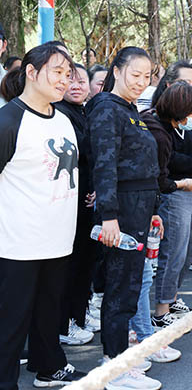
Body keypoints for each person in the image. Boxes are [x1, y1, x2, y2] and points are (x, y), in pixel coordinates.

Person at [0, 43, 88, 388]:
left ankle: (49, 366)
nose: (65, 80)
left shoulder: (63, 119)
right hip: (17, 243)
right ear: (32, 73)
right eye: (57, 72)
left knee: (50, 312)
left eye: (69, 73)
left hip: (59, 237)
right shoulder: (9, 121)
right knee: (10, 322)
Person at [86, 46, 164, 390]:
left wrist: (152, 210)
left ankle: (119, 357)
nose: (141, 82)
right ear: (116, 71)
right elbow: (104, 164)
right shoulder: (107, 108)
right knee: (120, 287)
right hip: (121, 209)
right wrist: (109, 216)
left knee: (131, 285)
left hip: (139, 208)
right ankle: (114, 366)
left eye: (146, 76)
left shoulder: (130, 109)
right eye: (135, 74)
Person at [146, 62, 192, 328]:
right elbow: (167, 160)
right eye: (188, 83)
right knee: (173, 252)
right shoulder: (157, 122)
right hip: (176, 190)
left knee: (188, 251)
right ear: (170, 86)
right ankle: (161, 310)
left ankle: (173, 296)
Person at [55, 65, 100, 346]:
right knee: (71, 266)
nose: (76, 85)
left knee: (86, 262)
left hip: (87, 199)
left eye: (81, 81)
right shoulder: (59, 114)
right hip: (69, 201)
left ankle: (79, 314)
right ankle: (65, 323)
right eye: (70, 80)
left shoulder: (85, 111)